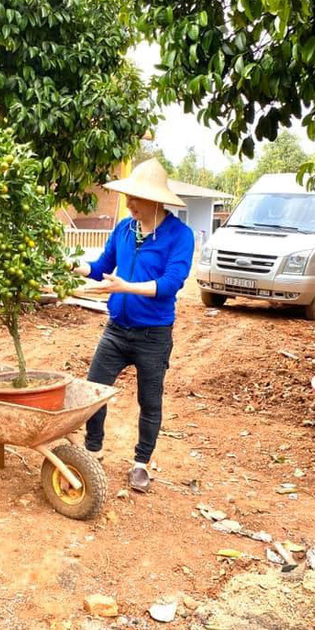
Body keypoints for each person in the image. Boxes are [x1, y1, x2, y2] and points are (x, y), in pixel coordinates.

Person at [71, 158, 195, 493]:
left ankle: (141, 464)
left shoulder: (180, 236)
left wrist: (125, 287)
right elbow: (101, 267)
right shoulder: (124, 229)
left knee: (150, 401)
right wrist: (71, 266)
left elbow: (170, 284)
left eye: (136, 198)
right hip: (116, 329)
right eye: (129, 197)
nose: (130, 203)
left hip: (153, 334)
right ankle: (93, 450)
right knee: (94, 392)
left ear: (155, 199)